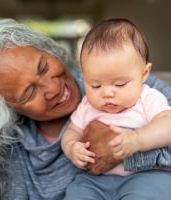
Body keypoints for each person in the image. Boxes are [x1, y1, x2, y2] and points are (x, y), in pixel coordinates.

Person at [0, 18, 171, 200]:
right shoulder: (15, 156)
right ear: (7, 111)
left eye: (44, 67)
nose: (53, 88)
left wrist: (126, 149)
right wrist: (74, 147)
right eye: (30, 92)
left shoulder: (128, 82)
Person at [61, 18, 171, 199]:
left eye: (119, 84)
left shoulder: (147, 98)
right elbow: (72, 130)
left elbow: (167, 124)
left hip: (146, 176)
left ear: (144, 74)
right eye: (95, 85)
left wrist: (138, 139)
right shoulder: (87, 104)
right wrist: (72, 147)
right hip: (95, 181)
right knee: (76, 193)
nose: (107, 93)